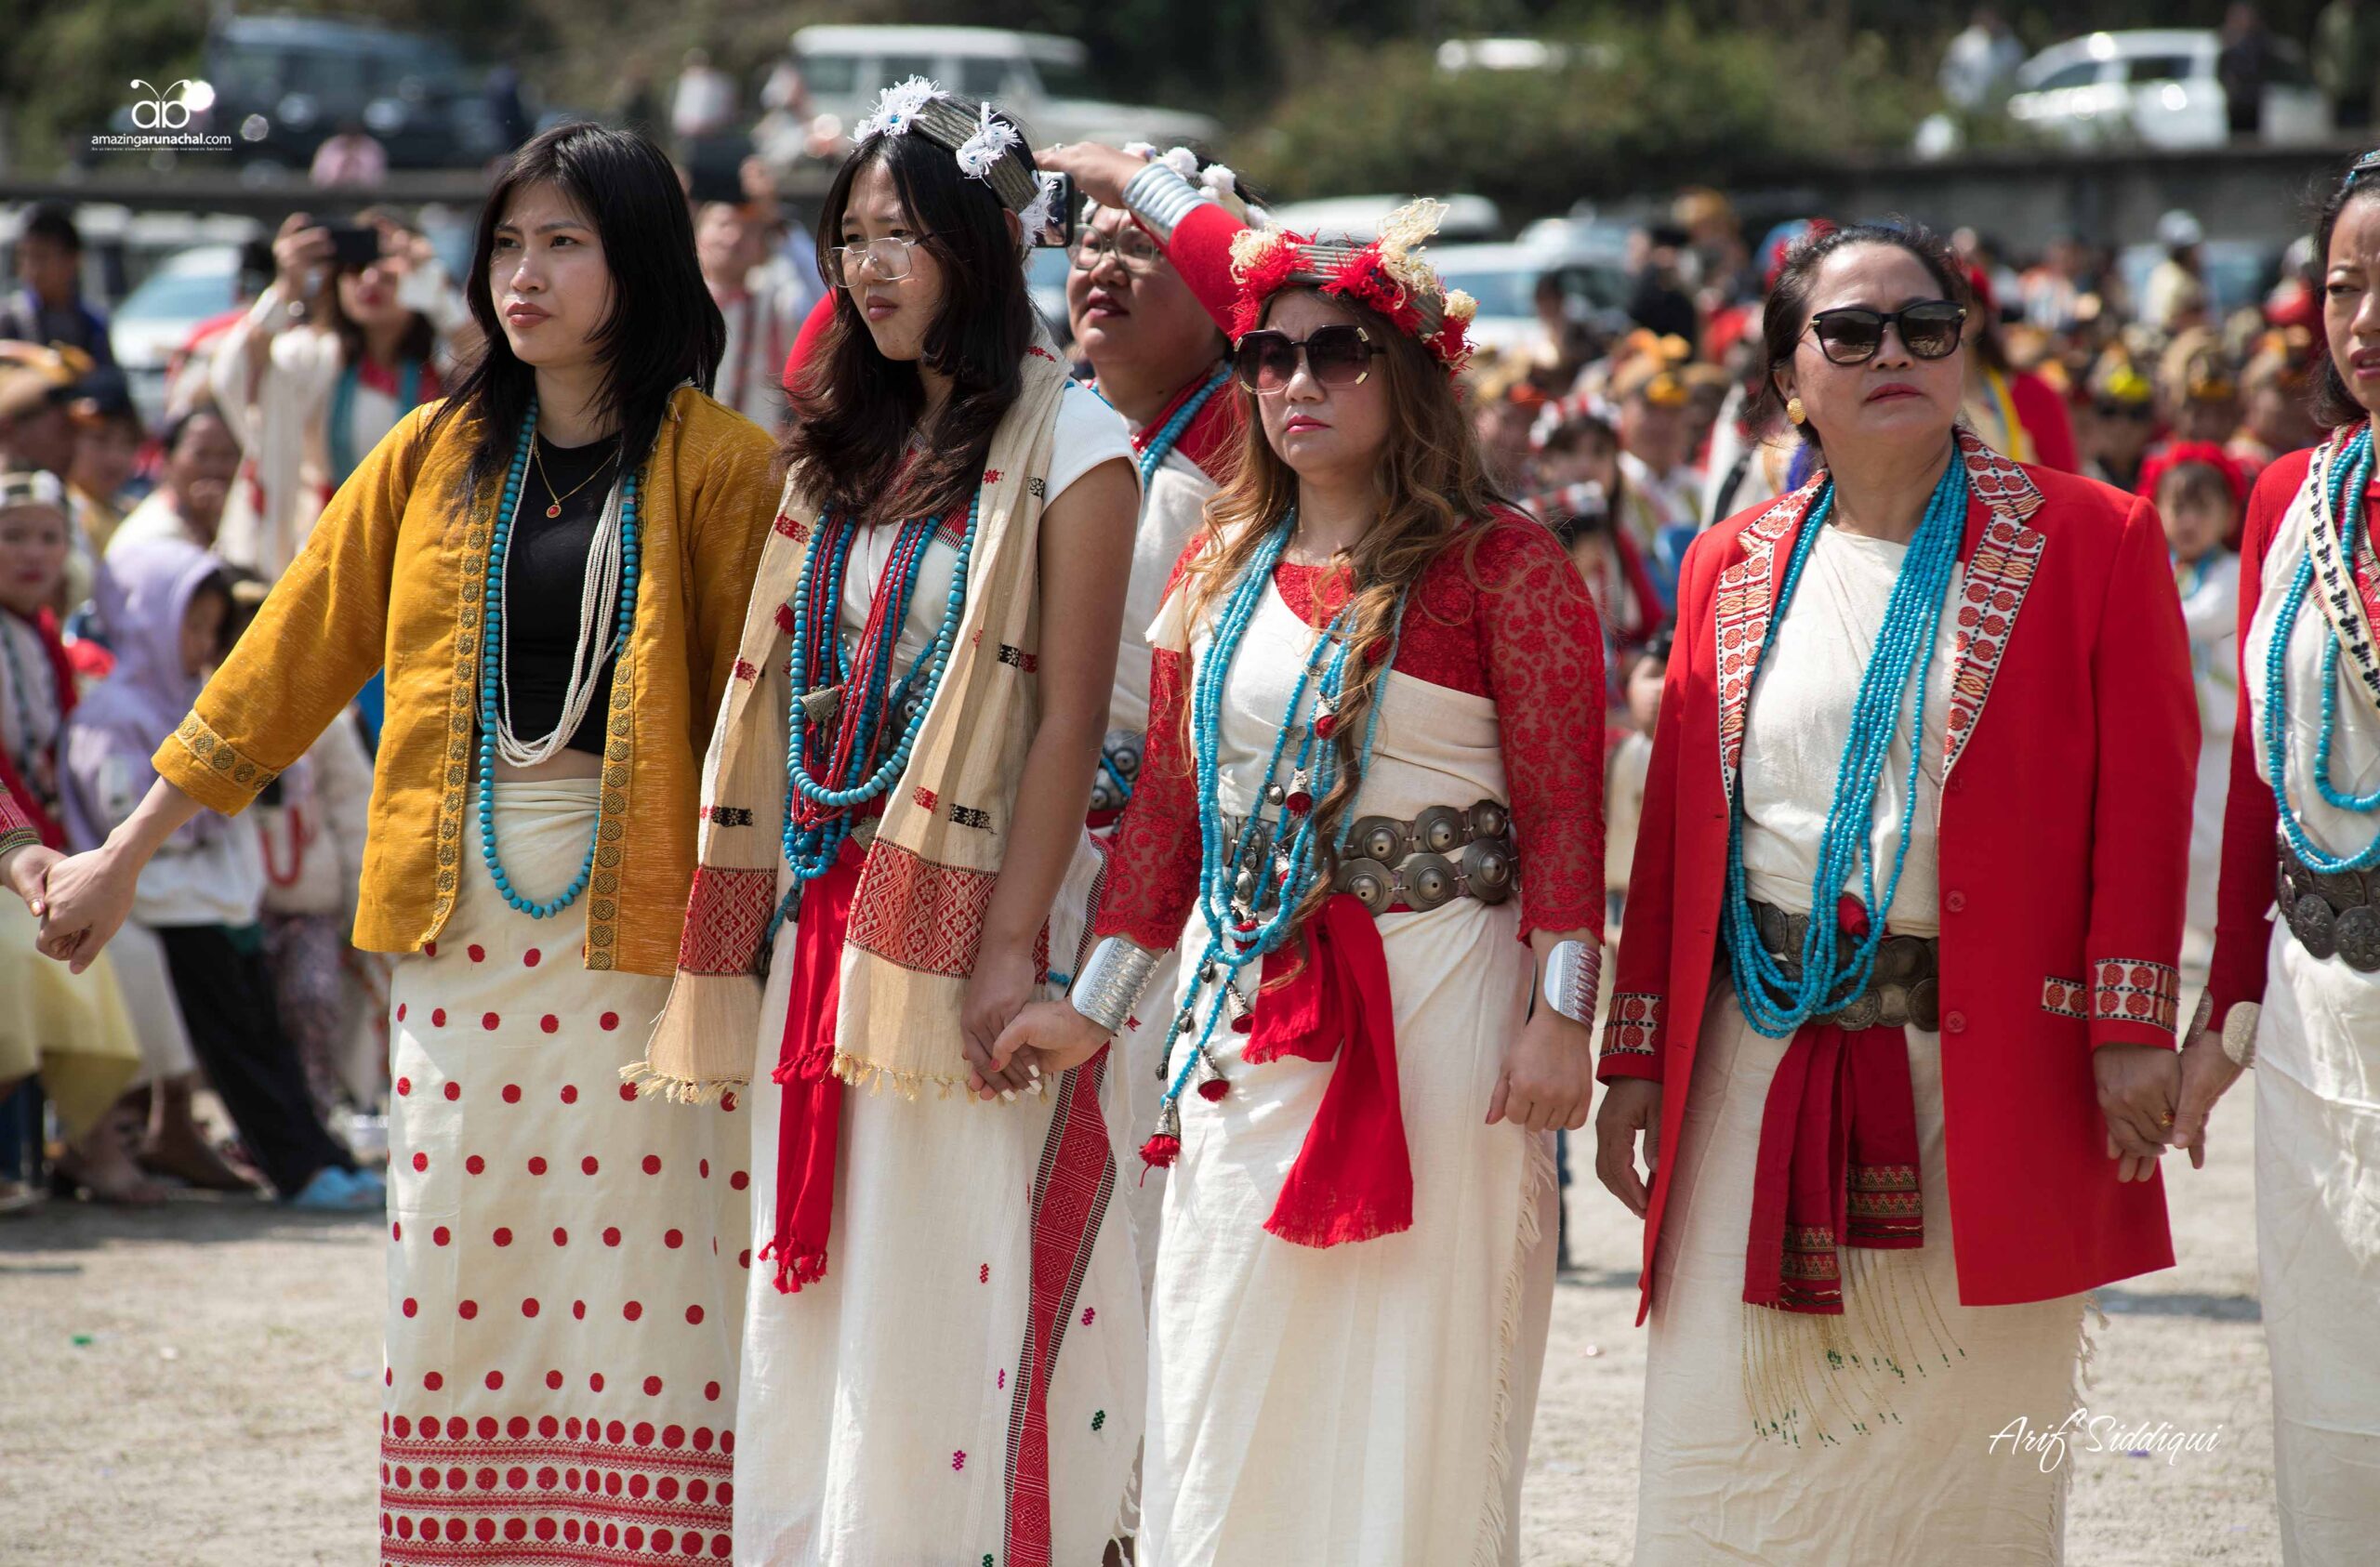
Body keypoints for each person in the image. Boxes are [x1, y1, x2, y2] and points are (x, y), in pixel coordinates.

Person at [34, 121, 779, 1557]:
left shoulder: (727, 468)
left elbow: (773, 734)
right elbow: (282, 662)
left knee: (654, 1271)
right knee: (464, 1269)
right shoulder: (431, 453)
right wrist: (124, 849)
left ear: (640, 263)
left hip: (643, 932)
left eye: (565, 241)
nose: (525, 272)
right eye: (507, 241)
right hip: (462, 927)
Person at [1020, 139, 1606, 1565]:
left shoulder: (1499, 565)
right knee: (1222, 1349)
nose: (1295, 382)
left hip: (1445, 1014)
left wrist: (1562, 1018)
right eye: (1268, 357)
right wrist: (1088, 1009)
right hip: (1243, 1020)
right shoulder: (1217, 565)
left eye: (1336, 351)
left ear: (1407, 373)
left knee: (1417, 1367)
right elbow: (1167, 820)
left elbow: (1566, 816)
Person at [1593, 221, 2195, 1561]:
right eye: (1850, 332)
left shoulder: (2094, 541)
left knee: (1959, 1462)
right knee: (1724, 1440)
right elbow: (1687, 837)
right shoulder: (1729, 564)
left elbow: (2147, 807)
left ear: (1966, 350)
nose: (1893, 354)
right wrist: (1634, 1056)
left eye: (1928, 327)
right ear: (1786, 378)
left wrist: (2132, 1028)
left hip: (1981, 1076)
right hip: (1756, 1058)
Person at [625, 86, 1144, 1565]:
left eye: (905, 232)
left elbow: (1062, 716)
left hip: (961, 928)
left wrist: (1009, 955)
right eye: (851, 233)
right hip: (821, 927)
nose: (871, 263)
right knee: (822, 1297)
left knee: (939, 1292)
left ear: (983, 247)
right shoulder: (840, 451)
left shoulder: (1079, 439)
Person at [2182, 148, 2380, 1567]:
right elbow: (2261, 779)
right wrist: (2224, 1019)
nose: (2361, 320)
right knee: (2331, 1384)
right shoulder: (2287, 503)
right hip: (2318, 1010)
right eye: (2341, 286)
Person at [59, 535, 375, 1209]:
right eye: (191, 625)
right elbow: (121, 813)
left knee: (267, 1034)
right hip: (164, 902)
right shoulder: (112, 715)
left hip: (216, 898)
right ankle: (299, 1169)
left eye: (210, 627)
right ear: (145, 618)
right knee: (239, 1045)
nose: (204, 643)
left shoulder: (192, 702)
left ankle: (320, 1153)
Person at [0, 468, 142, 1204]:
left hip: (31, 851)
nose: (32, 553)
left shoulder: (46, 638)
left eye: (49, 537)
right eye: (13, 535)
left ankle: (95, 1149)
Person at [208, 208, 459, 578]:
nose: (370, 280)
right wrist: (285, 289)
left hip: (421, 553)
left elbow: (495, 366)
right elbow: (236, 373)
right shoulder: (312, 356)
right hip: (325, 549)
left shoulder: (445, 367)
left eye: (387, 270)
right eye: (356, 270)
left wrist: (434, 285)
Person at [2141, 443, 2248, 968]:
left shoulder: (2230, 573)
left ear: (2227, 514)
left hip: (2214, 731)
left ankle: (2210, 934)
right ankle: (2171, 929)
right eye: (2177, 505)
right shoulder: (2155, 566)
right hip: (2160, 728)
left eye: (2201, 507)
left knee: (2208, 835)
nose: (2187, 520)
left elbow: (2197, 618)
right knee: (2162, 832)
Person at [108, 404, 239, 556]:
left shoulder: (239, 523)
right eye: (201, 455)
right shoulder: (154, 536)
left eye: (227, 455)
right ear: (168, 461)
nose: (214, 468)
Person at [0, 204, 114, 370]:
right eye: (25, 257)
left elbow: (109, 382)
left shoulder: (91, 324)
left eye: (42, 258)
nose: (32, 269)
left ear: (73, 260)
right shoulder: (10, 320)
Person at [64, 372, 144, 554]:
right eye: (100, 439)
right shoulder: (61, 514)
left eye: (128, 442)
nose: (115, 458)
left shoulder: (131, 512)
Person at [1938, 7, 2025, 113]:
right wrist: (1962, 102)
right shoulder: (1964, 45)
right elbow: (1949, 77)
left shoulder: (2012, 47)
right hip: (1968, 110)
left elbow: (2019, 79)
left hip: (2003, 111)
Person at [2315, 0, 2380, 130]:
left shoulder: (2372, 17)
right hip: (2337, 92)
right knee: (2337, 136)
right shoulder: (2331, 16)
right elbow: (2320, 51)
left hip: (2363, 91)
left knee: (2361, 136)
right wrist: (2326, 78)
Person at [2146, 211, 2212, 336]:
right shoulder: (2171, 278)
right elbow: (2167, 322)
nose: (2197, 254)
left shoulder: (2191, 276)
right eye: (2191, 249)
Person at [2218, 5, 2276, 140]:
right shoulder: (2229, 42)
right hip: (2235, 99)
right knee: (2235, 137)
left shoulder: (2257, 40)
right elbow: (2223, 69)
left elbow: (2264, 62)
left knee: (2253, 137)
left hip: (2252, 97)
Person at [309, 119, 389, 188]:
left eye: (354, 132)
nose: (351, 137)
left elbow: (379, 178)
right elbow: (317, 176)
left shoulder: (372, 147)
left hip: (368, 196)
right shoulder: (330, 146)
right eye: (348, 132)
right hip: (330, 194)